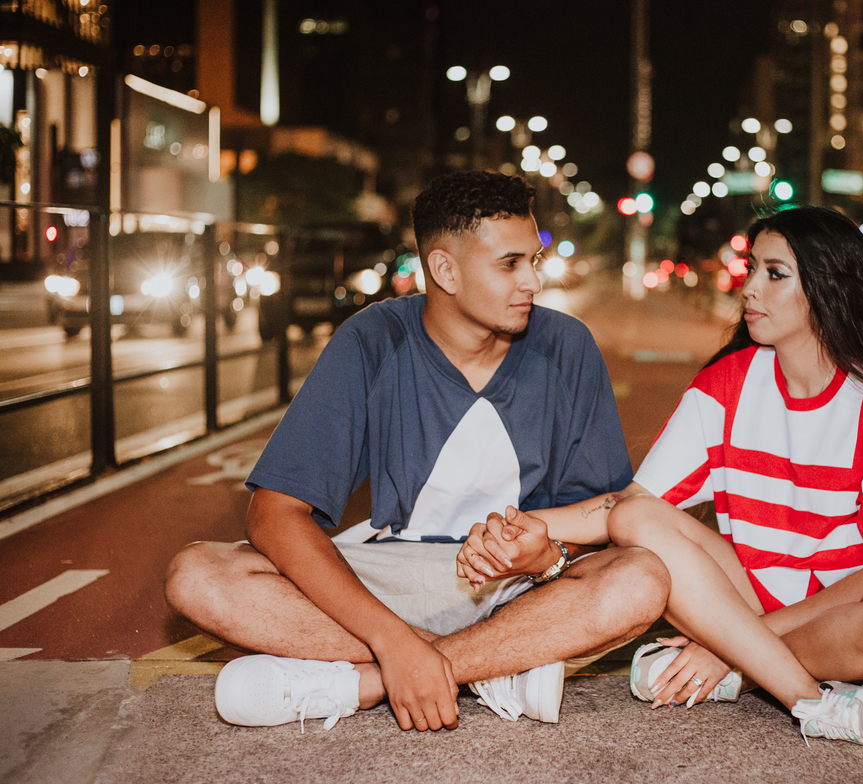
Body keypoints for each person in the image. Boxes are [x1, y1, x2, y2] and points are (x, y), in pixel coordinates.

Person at [164, 170, 669, 734]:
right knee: (198, 574)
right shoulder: (372, 340)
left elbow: (604, 511)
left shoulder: (566, 345)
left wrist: (544, 556)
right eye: (509, 264)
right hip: (393, 575)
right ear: (444, 270)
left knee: (641, 579)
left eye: (533, 260)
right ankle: (492, 668)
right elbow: (274, 514)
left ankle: (366, 682)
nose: (532, 281)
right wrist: (391, 638)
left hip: (519, 590)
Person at [457, 205, 863, 751]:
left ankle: (739, 671)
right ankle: (809, 697)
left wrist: (728, 648)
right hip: (750, 601)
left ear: (830, 289)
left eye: (774, 273)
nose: (749, 288)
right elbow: (631, 505)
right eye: (752, 269)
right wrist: (522, 524)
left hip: (850, 622)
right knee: (636, 517)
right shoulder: (728, 383)